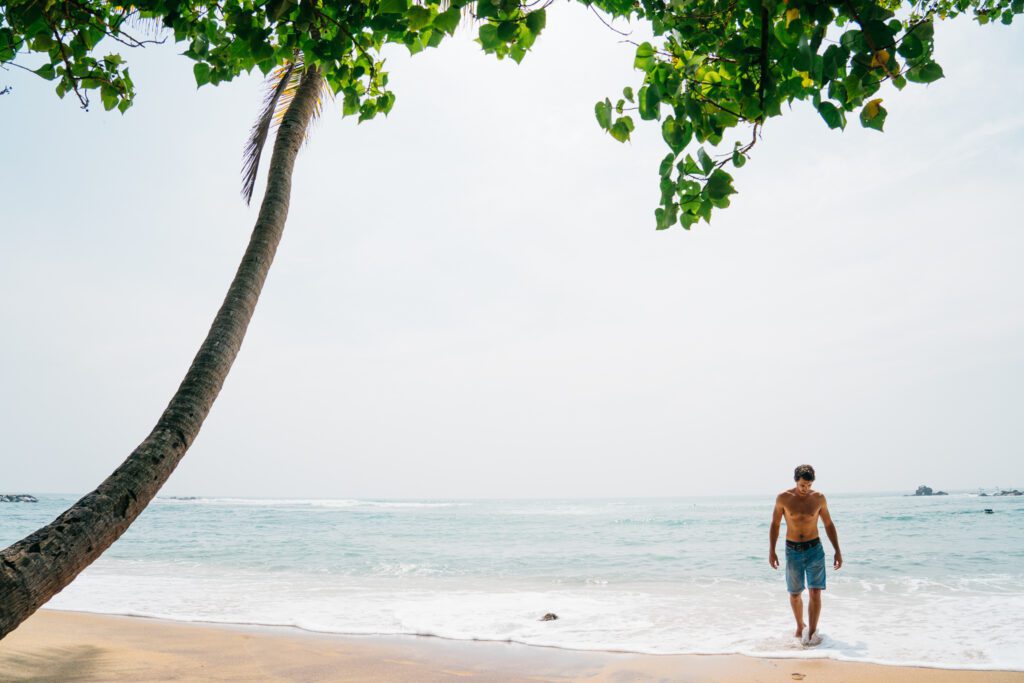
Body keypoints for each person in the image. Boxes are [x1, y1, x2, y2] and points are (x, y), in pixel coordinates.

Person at [768, 464, 842, 645]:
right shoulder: (783, 498)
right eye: (802, 485)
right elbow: (775, 524)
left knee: (815, 592)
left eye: (808, 485)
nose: (805, 489)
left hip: (814, 549)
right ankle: (800, 627)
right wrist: (772, 550)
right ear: (796, 481)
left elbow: (828, 524)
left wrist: (837, 550)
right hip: (792, 550)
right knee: (795, 593)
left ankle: (813, 632)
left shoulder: (818, 498)